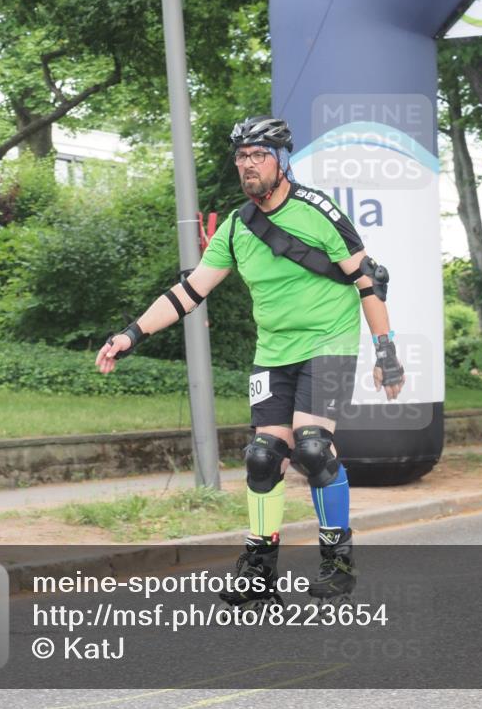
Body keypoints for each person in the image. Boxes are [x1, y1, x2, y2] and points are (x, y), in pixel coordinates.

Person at [95, 114, 406, 606]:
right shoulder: (238, 226)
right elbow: (189, 291)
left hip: (328, 343)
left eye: (259, 155)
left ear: (281, 161)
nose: (248, 165)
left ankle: (338, 561)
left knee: (311, 447)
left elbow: (369, 281)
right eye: (241, 156)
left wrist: (385, 351)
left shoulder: (318, 211)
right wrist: (131, 334)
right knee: (262, 457)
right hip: (273, 352)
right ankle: (259, 570)